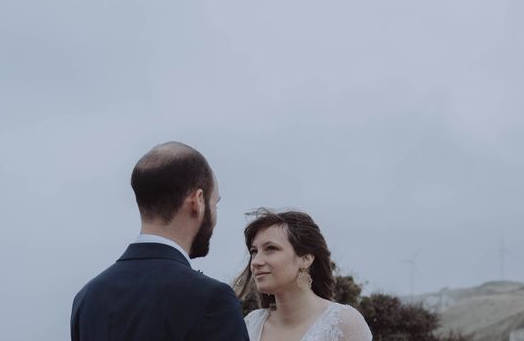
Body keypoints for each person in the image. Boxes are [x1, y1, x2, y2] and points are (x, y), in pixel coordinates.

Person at [70, 141, 249, 341]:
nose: (215, 215)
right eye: (215, 203)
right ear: (197, 202)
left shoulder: (87, 297)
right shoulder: (213, 299)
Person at [236, 209, 372, 341]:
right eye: (254, 251)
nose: (256, 261)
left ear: (305, 258)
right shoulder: (251, 324)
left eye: (271, 248)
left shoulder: (344, 323)